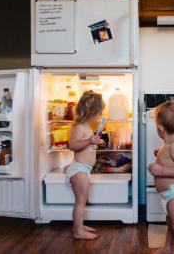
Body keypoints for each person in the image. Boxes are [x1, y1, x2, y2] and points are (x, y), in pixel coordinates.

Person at [148, 100, 174, 254]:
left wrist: (160, 170)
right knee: (172, 224)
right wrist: (158, 154)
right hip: (169, 194)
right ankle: (168, 248)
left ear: (160, 129)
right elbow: (170, 158)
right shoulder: (168, 142)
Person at [67, 91, 106, 239]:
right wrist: (90, 141)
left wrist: (97, 142)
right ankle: (78, 232)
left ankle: (79, 225)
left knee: (83, 200)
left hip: (84, 170)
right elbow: (72, 145)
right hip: (79, 170)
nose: (100, 114)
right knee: (80, 201)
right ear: (91, 111)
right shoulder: (79, 127)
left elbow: (87, 146)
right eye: (99, 112)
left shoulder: (88, 129)